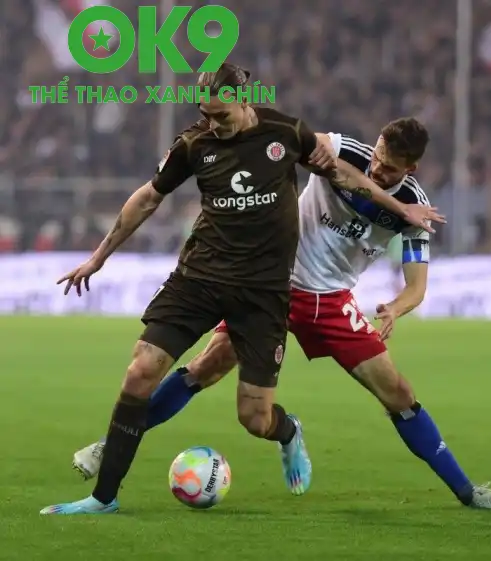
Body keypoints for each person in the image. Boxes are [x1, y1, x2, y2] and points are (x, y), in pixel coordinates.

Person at [41, 65, 443, 515]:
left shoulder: (285, 133)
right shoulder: (194, 143)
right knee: (142, 370)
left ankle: (286, 430)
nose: (213, 123)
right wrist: (98, 257)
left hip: (263, 291)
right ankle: (105, 495)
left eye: (221, 115)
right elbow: (149, 196)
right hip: (200, 276)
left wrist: (400, 211)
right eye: (205, 114)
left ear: (243, 100)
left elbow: (345, 176)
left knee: (254, 416)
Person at [71, 118, 491, 510]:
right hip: (269, 287)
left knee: (399, 394)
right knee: (205, 367)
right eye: (378, 156)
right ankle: (113, 444)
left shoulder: (414, 208)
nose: (378, 169)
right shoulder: (344, 149)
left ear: (411, 169)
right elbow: (299, 145)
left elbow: (417, 287)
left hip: (331, 301)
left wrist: (396, 309)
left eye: (389, 167)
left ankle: (469, 492)